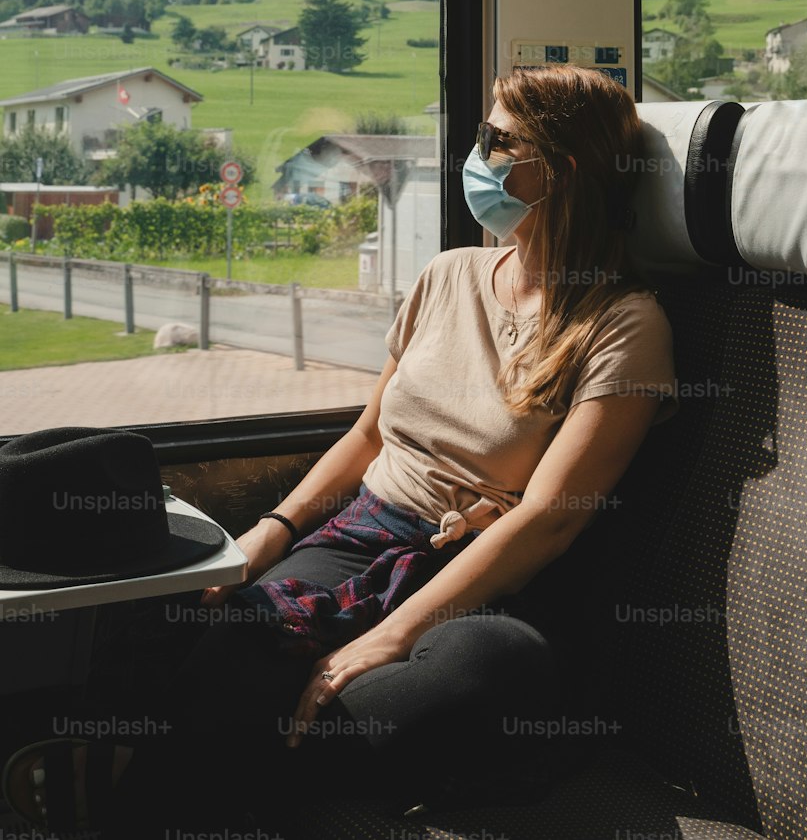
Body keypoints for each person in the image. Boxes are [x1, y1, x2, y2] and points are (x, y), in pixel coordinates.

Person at [3, 64, 676, 834]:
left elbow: (554, 518)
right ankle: (206, 786)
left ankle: (158, 777)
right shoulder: (447, 276)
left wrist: (391, 635)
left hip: (488, 569)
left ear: (560, 172)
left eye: (496, 139)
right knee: (230, 624)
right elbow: (366, 436)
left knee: (488, 670)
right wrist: (276, 530)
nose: (477, 154)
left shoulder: (624, 324)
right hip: (367, 532)